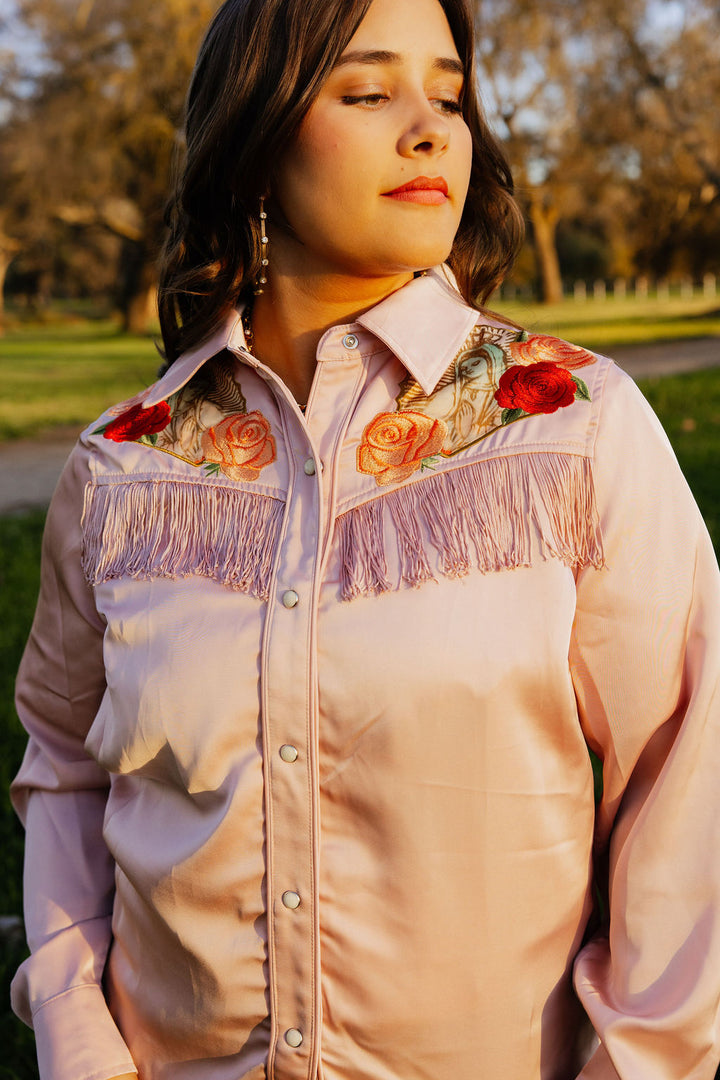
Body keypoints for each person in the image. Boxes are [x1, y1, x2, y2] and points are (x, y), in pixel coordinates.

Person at [10, 0, 720, 1077]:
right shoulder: (124, 465)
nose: (432, 127)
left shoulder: (573, 423)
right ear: (255, 133)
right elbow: (66, 768)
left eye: (448, 93)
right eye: (368, 90)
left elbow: (691, 780)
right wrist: (73, 1024)